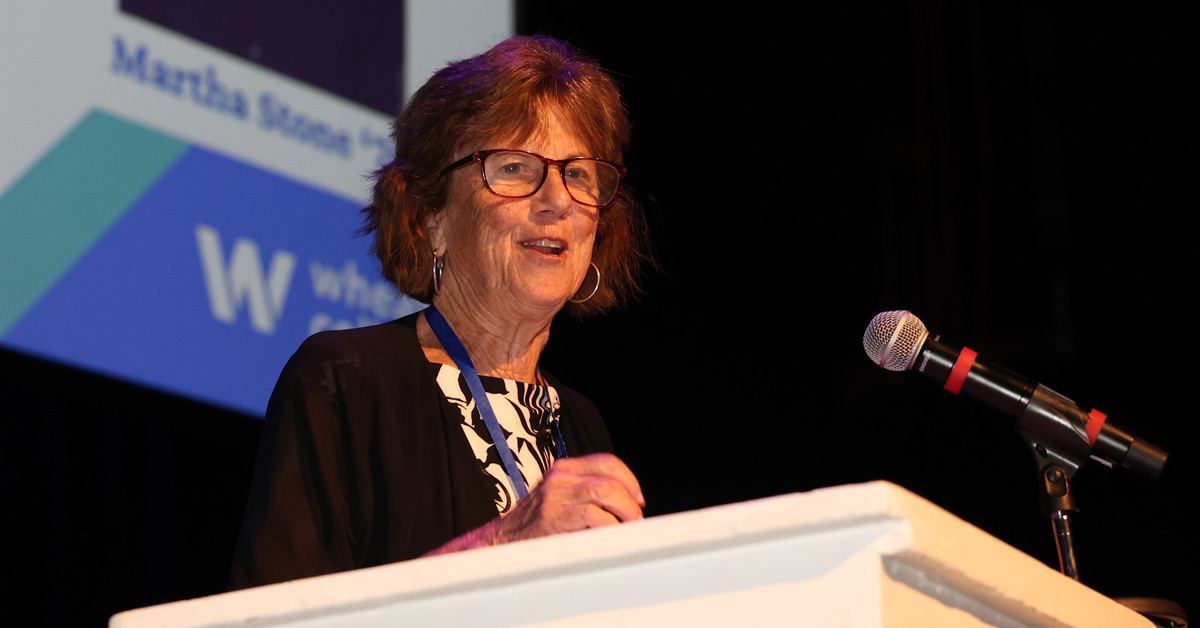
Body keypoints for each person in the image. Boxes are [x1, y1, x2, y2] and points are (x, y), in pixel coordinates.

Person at [228, 36, 651, 589]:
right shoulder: (346, 381)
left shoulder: (580, 423)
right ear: (431, 216)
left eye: (578, 174)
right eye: (515, 168)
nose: (558, 201)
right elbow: (278, 614)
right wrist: (502, 544)